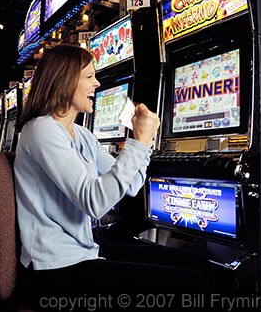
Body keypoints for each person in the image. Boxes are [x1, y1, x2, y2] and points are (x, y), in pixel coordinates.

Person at [14, 44, 214, 311]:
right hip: (55, 269)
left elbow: (131, 185)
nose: (96, 83)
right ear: (63, 80)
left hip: (87, 249)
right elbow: (95, 202)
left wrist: (141, 142)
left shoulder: (81, 135)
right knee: (192, 284)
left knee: (201, 266)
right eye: (88, 77)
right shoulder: (40, 131)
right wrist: (140, 143)